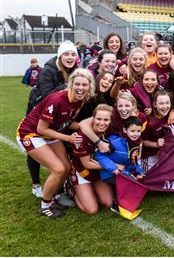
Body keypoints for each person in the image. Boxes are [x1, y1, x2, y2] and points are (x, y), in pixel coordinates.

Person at [16, 69, 95, 218]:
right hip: (30, 133)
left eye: (84, 85)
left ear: (89, 86)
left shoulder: (81, 100)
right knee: (58, 169)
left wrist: (88, 127)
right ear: (71, 84)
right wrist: (68, 139)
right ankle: (45, 207)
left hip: (51, 131)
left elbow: (66, 121)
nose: (80, 88)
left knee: (66, 167)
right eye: (77, 84)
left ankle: (54, 197)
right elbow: (41, 128)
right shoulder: (57, 99)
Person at [25, 41, 79, 199]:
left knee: (56, 144)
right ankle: (36, 184)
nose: (70, 57)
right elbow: (47, 96)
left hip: (59, 115)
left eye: (73, 54)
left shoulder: (75, 69)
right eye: (66, 54)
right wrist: (66, 87)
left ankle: (60, 181)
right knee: (34, 146)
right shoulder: (48, 71)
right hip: (39, 114)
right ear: (60, 55)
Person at [70, 104, 115, 215]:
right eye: (99, 119)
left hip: (97, 173)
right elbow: (87, 164)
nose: (102, 123)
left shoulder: (108, 132)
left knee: (108, 203)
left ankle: (89, 191)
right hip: (82, 172)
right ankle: (71, 190)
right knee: (91, 210)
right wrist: (114, 166)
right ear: (93, 119)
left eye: (106, 120)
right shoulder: (81, 137)